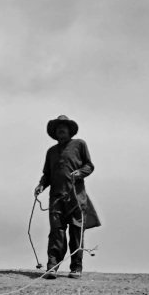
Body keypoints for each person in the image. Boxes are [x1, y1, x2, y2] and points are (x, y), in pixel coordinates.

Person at [34, 115, 100, 279]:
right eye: (58, 128)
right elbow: (47, 175)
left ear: (70, 130)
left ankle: (76, 268)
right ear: (55, 133)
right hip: (56, 197)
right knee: (56, 231)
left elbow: (89, 166)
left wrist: (80, 172)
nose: (61, 129)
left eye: (64, 127)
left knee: (76, 231)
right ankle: (52, 266)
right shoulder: (51, 152)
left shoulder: (79, 145)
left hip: (76, 196)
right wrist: (41, 185)